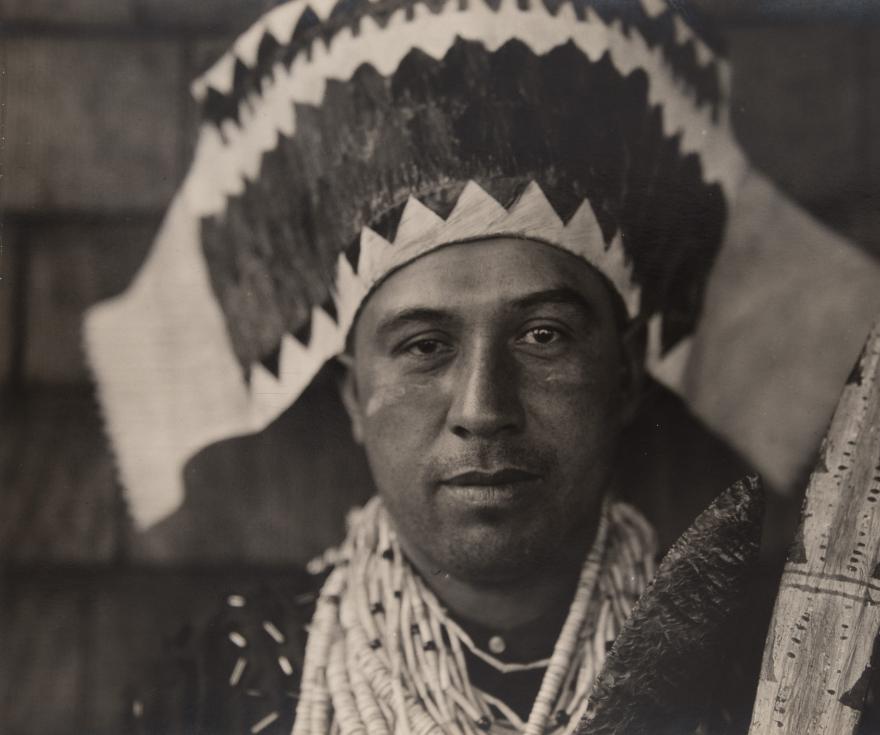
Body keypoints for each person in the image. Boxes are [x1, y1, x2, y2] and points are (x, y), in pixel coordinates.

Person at [86, 1, 773, 733]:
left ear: (626, 374)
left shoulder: (762, 667)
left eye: (542, 335)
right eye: (425, 344)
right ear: (354, 392)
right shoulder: (217, 688)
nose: (482, 408)